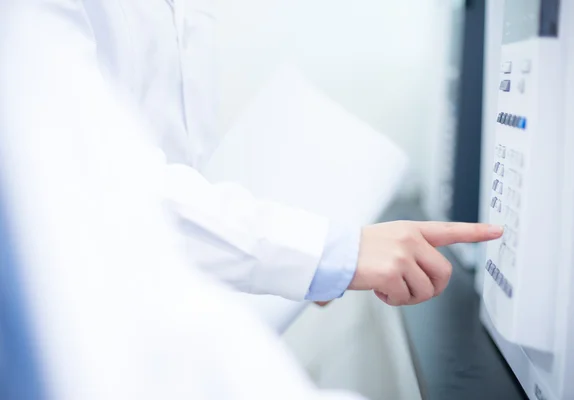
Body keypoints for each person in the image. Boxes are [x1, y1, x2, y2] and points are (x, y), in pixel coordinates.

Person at [3, 0, 501, 309]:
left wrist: (291, 264)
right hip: (67, 325)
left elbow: (177, 165)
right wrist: (325, 253)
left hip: (161, 319)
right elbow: (90, 179)